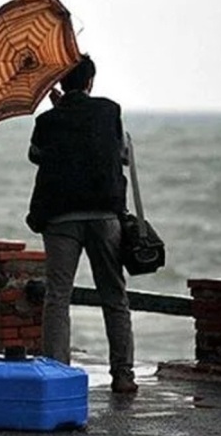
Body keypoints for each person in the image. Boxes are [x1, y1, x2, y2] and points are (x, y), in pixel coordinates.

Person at [25, 54, 137, 394]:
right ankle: (123, 375)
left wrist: (59, 113)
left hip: (60, 218)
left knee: (57, 297)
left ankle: (58, 374)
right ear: (90, 82)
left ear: (60, 83)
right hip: (104, 216)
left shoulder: (47, 121)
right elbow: (120, 155)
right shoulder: (109, 111)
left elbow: (36, 155)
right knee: (114, 295)